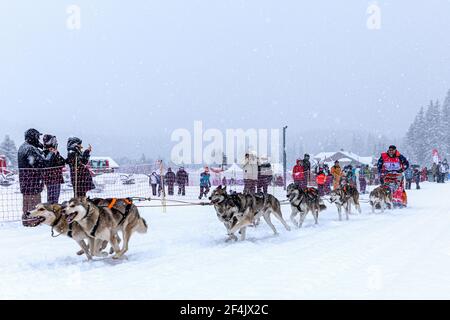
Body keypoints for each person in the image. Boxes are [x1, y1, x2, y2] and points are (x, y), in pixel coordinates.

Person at [18, 128, 52, 223]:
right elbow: (42, 163)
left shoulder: (25, 147)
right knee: (34, 205)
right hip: (33, 182)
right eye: (38, 137)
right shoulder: (30, 149)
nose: (39, 140)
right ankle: (32, 221)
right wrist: (50, 153)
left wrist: (43, 150)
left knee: (27, 203)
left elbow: (38, 159)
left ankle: (27, 220)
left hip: (27, 182)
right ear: (34, 137)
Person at [42, 134, 65, 204]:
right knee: (52, 199)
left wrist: (56, 154)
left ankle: (54, 211)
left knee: (55, 199)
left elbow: (62, 162)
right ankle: (51, 211)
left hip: (56, 178)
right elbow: (48, 163)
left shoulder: (55, 153)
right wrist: (52, 153)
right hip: (51, 179)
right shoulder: (45, 153)